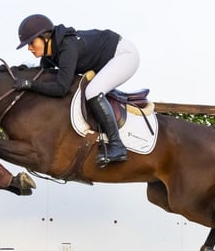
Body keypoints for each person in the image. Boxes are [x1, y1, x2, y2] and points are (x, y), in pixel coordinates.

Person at [14, 13, 140, 168]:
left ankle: (117, 145)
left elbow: (61, 88)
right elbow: (42, 76)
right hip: (112, 56)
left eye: (32, 42)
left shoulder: (68, 47)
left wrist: (30, 85)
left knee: (93, 91)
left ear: (45, 38)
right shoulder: (51, 52)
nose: (29, 48)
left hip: (125, 56)